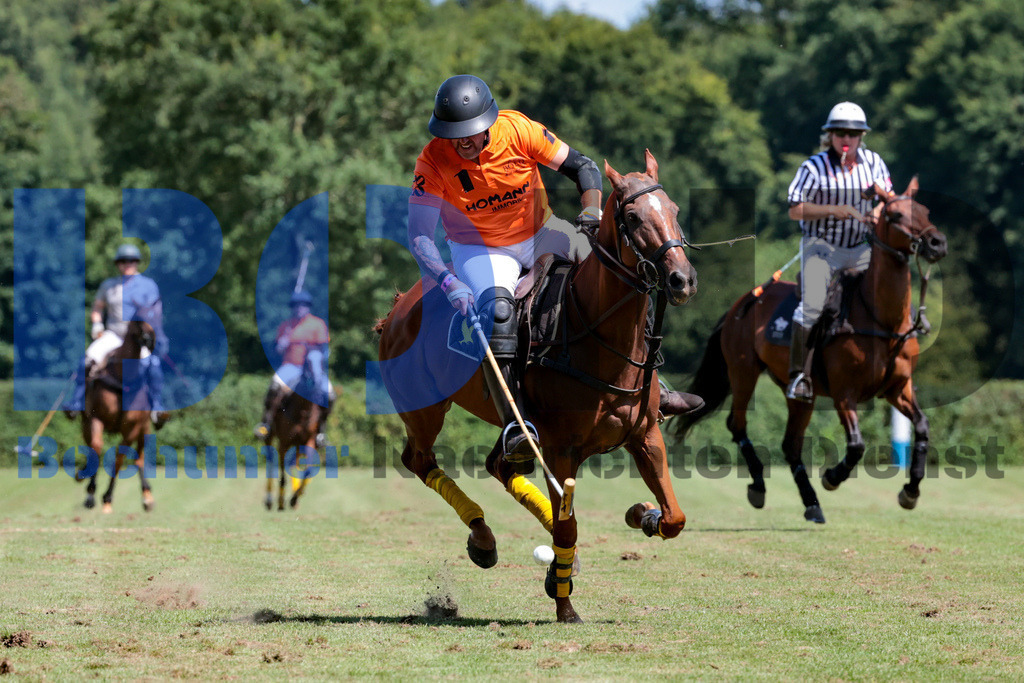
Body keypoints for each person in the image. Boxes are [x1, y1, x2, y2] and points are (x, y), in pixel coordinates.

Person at [408, 74, 701, 467]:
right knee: (498, 311)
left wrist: (591, 215)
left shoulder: (520, 130)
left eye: (470, 132)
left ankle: (654, 387)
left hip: (540, 231)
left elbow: (583, 168)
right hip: (480, 249)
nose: (462, 141)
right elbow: (420, 235)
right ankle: (517, 425)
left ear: (489, 123)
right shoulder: (432, 160)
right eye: (453, 133)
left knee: (617, 274)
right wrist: (448, 281)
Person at [785, 101, 893, 402]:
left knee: (887, 292)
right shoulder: (813, 167)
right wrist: (834, 209)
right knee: (814, 305)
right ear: (830, 135)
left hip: (860, 248)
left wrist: (877, 211)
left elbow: (889, 197)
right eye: (840, 133)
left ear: (861, 137)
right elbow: (795, 210)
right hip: (822, 248)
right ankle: (799, 378)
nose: (846, 138)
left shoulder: (874, 162)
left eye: (853, 133)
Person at [63, 243, 169, 426]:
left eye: (131, 261)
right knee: (86, 360)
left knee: (154, 364)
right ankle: (76, 403)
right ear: (118, 264)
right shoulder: (108, 285)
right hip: (113, 335)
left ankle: (157, 407)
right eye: (123, 261)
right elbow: (97, 309)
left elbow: (154, 313)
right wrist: (97, 325)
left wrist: (152, 333)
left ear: (137, 263)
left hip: (137, 338)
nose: (127, 264)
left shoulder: (148, 285)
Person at [253, 289, 335, 447]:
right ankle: (266, 424)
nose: (299, 308)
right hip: (290, 366)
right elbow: (277, 349)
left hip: (312, 369)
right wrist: (282, 342)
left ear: (308, 307)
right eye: (296, 306)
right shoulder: (286, 326)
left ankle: (321, 432)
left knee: (329, 394)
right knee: (274, 386)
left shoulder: (317, 324)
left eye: (302, 305)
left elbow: (324, 350)